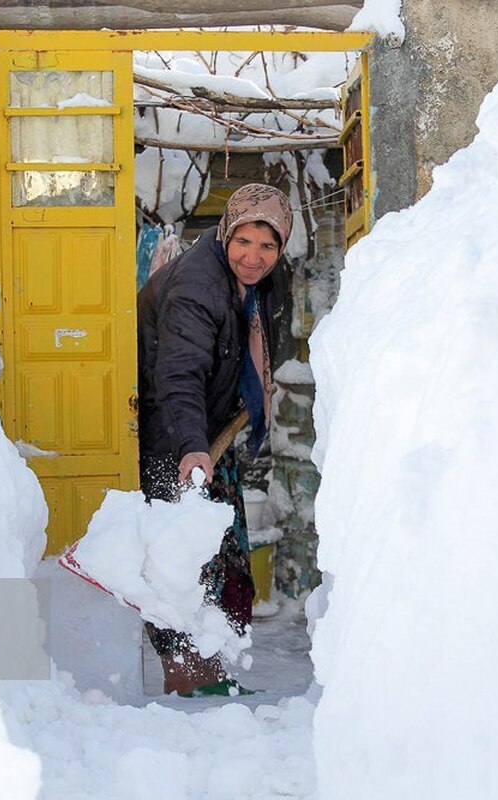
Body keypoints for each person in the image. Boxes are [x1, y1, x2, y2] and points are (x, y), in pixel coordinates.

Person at [136, 183, 292, 695]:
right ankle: (186, 676)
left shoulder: (255, 280)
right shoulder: (198, 286)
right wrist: (190, 447)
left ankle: (208, 666)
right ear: (227, 232)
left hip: (206, 431)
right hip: (174, 436)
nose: (254, 257)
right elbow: (177, 372)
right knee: (182, 558)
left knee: (222, 551)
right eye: (245, 242)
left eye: (268, 246)